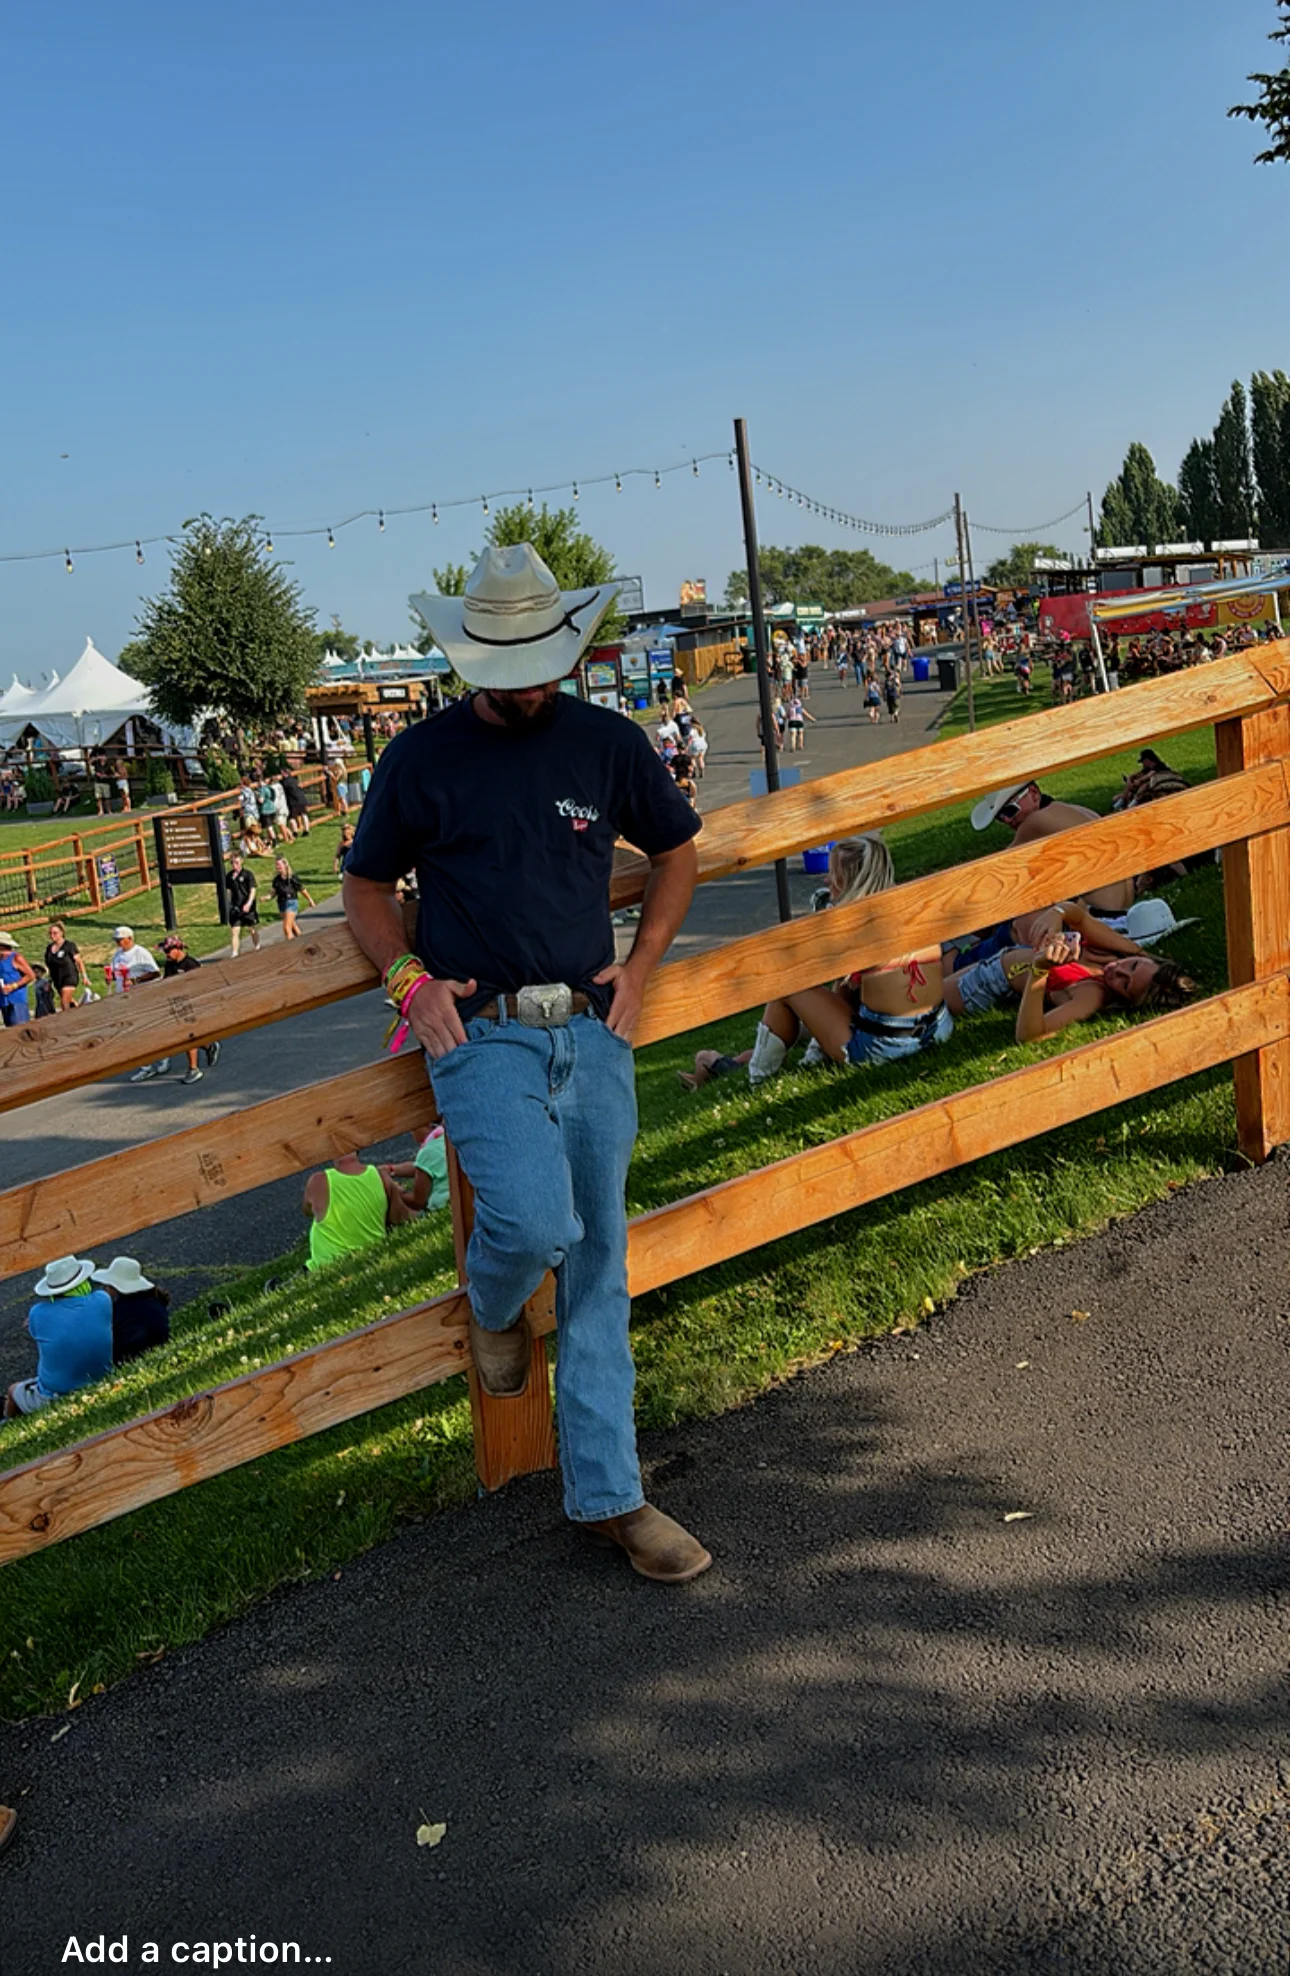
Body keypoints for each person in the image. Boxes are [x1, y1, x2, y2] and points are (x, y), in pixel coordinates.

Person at [342, 540, 709, 1585]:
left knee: (600, 1264)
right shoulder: (421, 757)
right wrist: (408, 980)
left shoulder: (607, 743)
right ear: (473, 663)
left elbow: (677, 851)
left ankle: (613, 1497)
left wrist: (643, 965)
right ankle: (493, 1305)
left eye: (546, 664)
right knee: (536, 1223)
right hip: (480, 1032)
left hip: (591, 1025)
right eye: (512, 672)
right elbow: (365, 886)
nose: (533, 685)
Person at [681, 835, 951, 1091]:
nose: (826, 879)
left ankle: (758, 1080)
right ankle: (753, 1061)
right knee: (822, 1000)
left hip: (886, 1048)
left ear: (849, 881)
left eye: (834, 875)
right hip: (937, 1030)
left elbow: (806, 971)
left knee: (786, 985)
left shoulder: (855, 929)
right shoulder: (910, 909)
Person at [944, 900, 1196, 1035]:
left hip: (984, 985)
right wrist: (1057, 913)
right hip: (1002, 957)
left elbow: (1031, 1034)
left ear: (1126, 1000)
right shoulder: (1124, 951)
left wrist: (1040, 971)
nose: (1117, 970)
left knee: (924, 1003)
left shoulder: (1092, 995)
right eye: (1132, 966)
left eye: (1125, 984)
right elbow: (1080, 917)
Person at [971, 780, 1136, 917]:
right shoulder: (1078, 811)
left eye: (1010, 810)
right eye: (1000, 818)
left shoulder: (1035, 822)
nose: (1007, 820)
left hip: (1101, 917)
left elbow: (993, 870)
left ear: (1034, 794)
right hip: (1125, 911)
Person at [4, 1255, 113, 1418]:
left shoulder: (38, 1313)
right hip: (102, 1379)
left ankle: (7, 1423)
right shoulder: (103, 1300)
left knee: (13, 1391)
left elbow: (39, 1332)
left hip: (55, 1394)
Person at [303, 1154, 414, 1273]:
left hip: (325, 1266)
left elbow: (307, 1210)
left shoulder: (318, 1181)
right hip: (372, 1256)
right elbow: (399, 1218)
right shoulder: (380, 1176)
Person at [157, 933, 221, 1083]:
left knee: (188, 1036)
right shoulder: (170, 964)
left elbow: (201, 986)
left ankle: (193, 1069)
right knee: (183, 1037)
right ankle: (208, 1045)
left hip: (193, 1005)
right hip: (176, 1005)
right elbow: (166, 983)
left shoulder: (191, 965)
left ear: (178, 949)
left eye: (168, 951)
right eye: (165, 952)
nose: (166, 954)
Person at [92, 1256, 171, 1364]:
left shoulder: (118, 1311)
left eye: (107, 1285)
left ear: (114, 1287)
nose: (105, 1289)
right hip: (159, 1353)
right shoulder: (155, 1302)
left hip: (128, 1360)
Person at [381, 1123, 451, 1213]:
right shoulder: (445, 1138)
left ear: (427, 1125)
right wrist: (390, 1169)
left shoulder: (427, 1152)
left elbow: (417, 1201)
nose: (411, 1133)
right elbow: (424, 1167)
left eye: (413, 1129)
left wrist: (394, 1194)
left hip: (440, 1207)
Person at [45, 920, 89, 1012]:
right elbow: (49, 966)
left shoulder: (69, 946)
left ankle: (66, 1019)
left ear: (61, 933)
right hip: (57, 980)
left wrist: (84, 976)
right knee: (69, 1002)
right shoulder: (49, 948)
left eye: (55, 933)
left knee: (64, 1002)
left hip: (69, 977)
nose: (52, 935)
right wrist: (49, 981)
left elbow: (79, 961)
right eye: (50, 933)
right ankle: (80, 1011)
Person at [105, 926, 161, 996]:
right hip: (121, 993)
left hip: (139, 993)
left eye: (120, 940)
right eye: (116, 940)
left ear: (130, 938)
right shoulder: (117, 953)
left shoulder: (140, 952)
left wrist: (135, 980)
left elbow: (155, 973)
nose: (117, 942)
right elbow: (117, 973)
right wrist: (111, 977)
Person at [226, 852, 261, 956]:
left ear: (241, 861)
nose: (234, 865)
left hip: (247, 906)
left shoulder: (247, 874)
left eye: (236, 862)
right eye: (232, 863)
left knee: (252, 928)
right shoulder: (229, 876)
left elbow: (253, 889)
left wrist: (249, 903)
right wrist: (230, 904)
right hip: (236, 907)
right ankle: (235, 953)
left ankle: (257, 946)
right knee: (235, 930)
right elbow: (229, 891)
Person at [271, 855, 315, 938]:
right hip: (281, 904)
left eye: (279, 865)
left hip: (291, 902)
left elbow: (302, 890)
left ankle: (291, 945)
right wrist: (266, 897)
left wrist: (310, 900)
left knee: (286, 928)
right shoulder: (276, 879)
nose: (277, 867)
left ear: (285, 865)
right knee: (292, 926)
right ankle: (303, 941)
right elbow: (273, 893)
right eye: (276, 865)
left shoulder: (292, 878)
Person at [0, 932, 35, 1026]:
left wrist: (13, 986)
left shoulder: (16, 958)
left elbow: (31, 975)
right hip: (3, 1000)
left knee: (20, 1028)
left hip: (17, 999)